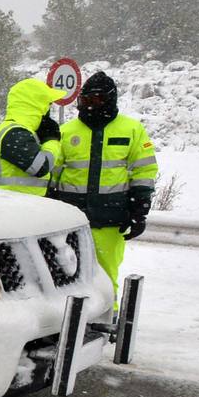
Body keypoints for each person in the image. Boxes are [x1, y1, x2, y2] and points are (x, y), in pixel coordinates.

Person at [50, 71, 158, 298]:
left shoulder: (132, 129)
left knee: (106, 277)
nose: (89, 107)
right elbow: (53, 175)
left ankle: (108, 321)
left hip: (110, 219)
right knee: (66, 278)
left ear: (109, 99)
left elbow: (144, 170)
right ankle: (72, 323)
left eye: (95, 100)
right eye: (85, 101)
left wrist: (140, 209)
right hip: (70, 220)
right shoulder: (66, 131)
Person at [0, 78, 66, 195]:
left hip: (20, 203)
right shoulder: (14, 133)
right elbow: (40, 168)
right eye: (48, 104)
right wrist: (51, 140)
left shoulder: (23, 131)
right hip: (13, 206)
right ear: (38, 105)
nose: (49, 108)